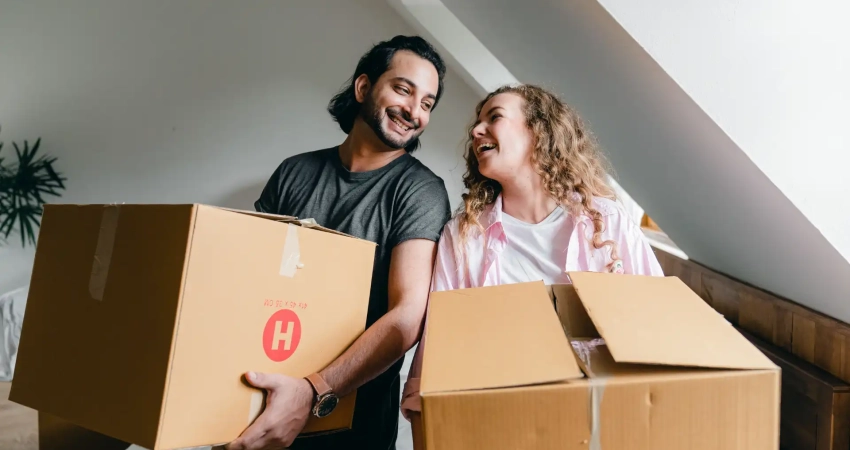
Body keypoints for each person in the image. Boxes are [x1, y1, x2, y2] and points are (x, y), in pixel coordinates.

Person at [400, 84, 665, 449]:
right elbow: (436, 358)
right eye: (477, 123)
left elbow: (662, 329)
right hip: (498, 429)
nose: (476, 130)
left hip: (604, 428)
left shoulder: (607, 222)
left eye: (494, 117)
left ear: (538, 131)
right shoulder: (463, 238)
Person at [225, 35, 452, 450]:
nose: (413, 111)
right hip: (253, 399)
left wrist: (312, 391)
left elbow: (408, 315)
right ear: (364, 88)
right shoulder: (295, 171)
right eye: (403, 89)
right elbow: (250, 285)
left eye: (427, 103)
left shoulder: (420, 191)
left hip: (349, 424)